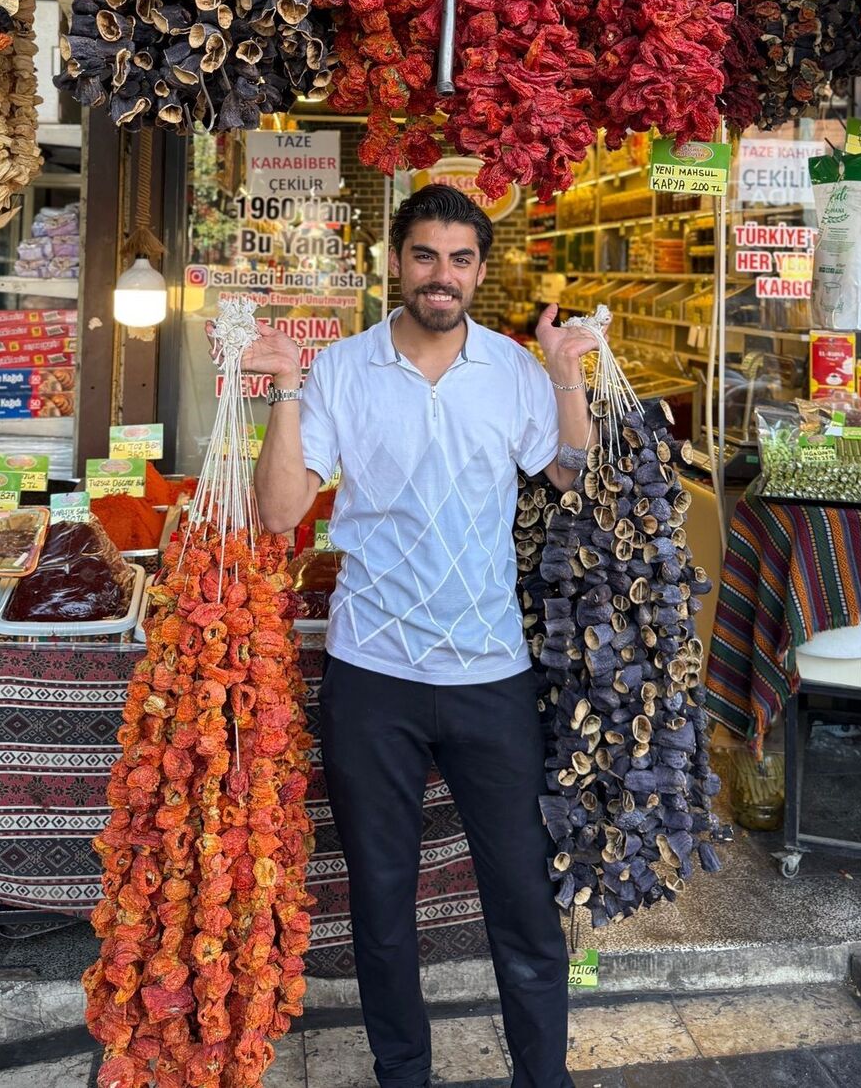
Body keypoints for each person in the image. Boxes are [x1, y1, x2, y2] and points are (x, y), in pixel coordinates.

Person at [244, 184, 599, 1088]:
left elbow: (569, 475)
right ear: (395, 261)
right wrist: (286, 388)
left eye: (461, 259)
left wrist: (564, 373)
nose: (443, 276)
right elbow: (282, 508)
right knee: (383, 901)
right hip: (374, 675)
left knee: (521, 892)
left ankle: (542, 1076)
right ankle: (402, 1072)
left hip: (489, 673)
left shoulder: (513, 370)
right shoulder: (341, 370)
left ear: (481, 269)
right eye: (426, 256)